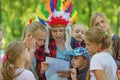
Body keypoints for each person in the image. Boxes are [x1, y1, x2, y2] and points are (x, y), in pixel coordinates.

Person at [35, 0, 77, 80]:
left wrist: (71, 73)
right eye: (55, 31)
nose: (58, 33)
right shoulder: (44, 45)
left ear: (65, 30)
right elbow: (37, 71)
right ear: (50, 31)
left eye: (61, 30)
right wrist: (42, 70)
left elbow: (83, 65)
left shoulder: (73, 43)